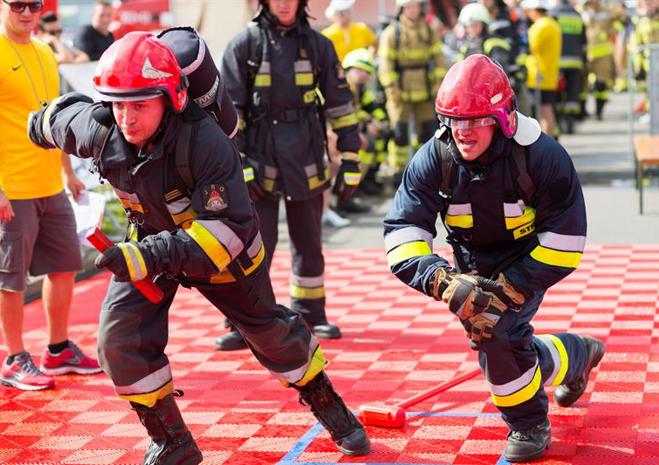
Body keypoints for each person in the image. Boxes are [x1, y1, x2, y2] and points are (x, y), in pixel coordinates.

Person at [27, 31, 370, 464]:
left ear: (170, 98)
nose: (127, 118)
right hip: (150, 242)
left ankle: (329, 405)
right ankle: (173, 442)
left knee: (271, 334)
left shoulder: (206, 142)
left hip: (219, 249)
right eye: (118, 105)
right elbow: (58, 119)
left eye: (140, 105)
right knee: (119, 340)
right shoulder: (101, 129)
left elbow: (227, 230)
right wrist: (38, 125)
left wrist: (146, 255)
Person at [383, 54, 605, 463]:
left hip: (529, 261)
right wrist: (441, 280)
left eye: (476, 120)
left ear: (503, 119)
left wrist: (509, 289)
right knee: (507, 343)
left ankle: (529, 426)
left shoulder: (542, 157)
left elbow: (566, 240)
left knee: (495, 335)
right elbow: (403, 231)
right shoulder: (433, 159)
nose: (463, 132)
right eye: (454, 120)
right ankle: (576, 353)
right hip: (467, 265)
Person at [217, 0, 363, 350]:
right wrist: (238, 165)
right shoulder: (245, 45)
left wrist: (351, 159)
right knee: (254, 245)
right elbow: (228, 112)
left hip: (306, 155)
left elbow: (341, 106)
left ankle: (310, 313)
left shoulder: (318, 45)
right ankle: (245, 322)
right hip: (259, 158)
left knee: (309, 241)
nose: (284, 3)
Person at [0, 0, 101, 391]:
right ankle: (14, 358)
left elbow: (52, 119)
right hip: (13, 187)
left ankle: (57, 350)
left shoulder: (44, 52)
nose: (27, 12)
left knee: (64, 266)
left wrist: (68, 174)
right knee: (11, 279)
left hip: (51, 184)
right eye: (18, 4)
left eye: (35, 4)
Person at [378, 0, 446, 187]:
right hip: (399, 93)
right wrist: (392, 89)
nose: (413, 10)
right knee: (399, 134)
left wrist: (438, 84)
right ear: (402, 9)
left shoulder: (430, 31)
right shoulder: (392, 33)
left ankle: (424, 170)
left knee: (427, 132)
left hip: (425, 91)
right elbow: (385, 64)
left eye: (416, 6)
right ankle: (398, 171)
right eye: (409, 6)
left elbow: (439, 59)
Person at [342, 48, 389, 197]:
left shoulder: (360, 88)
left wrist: (381, 121)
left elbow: (372, 106)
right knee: (364, 147)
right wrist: (368, 121)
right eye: (359, 70)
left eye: (367, 72)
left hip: (355, 128)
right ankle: (348, 192)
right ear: (348, 68)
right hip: (341, 131)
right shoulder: (342, 87)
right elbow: (346, 111)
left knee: (382, 138)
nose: (364, 75)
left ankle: (366, 180)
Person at [577, 0, 626, 120]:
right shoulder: (581, 12)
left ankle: (599, 112)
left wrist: (613, 8)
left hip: (603, 55)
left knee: (601, 85)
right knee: (582, 85)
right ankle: (582, 112)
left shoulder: (606, 12)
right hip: (586, 54)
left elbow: (622, 16)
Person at [521, 0, 561, 139]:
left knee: (544, 110)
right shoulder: (552, 24)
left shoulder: (540, 27)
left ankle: (547, 140)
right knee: (547, 108)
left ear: (535, 10)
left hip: (539, 75)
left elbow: (529, 46)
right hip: (548, 73)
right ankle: (552, 136)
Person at [550, 0, 587, 133]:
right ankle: (570, 121)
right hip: (575, 61)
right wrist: (583, 60)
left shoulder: (552, 14)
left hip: (557, 61)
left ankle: (558, 119)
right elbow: (583, 41)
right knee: (573, 91)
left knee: (557, 91)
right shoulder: (577, 15)